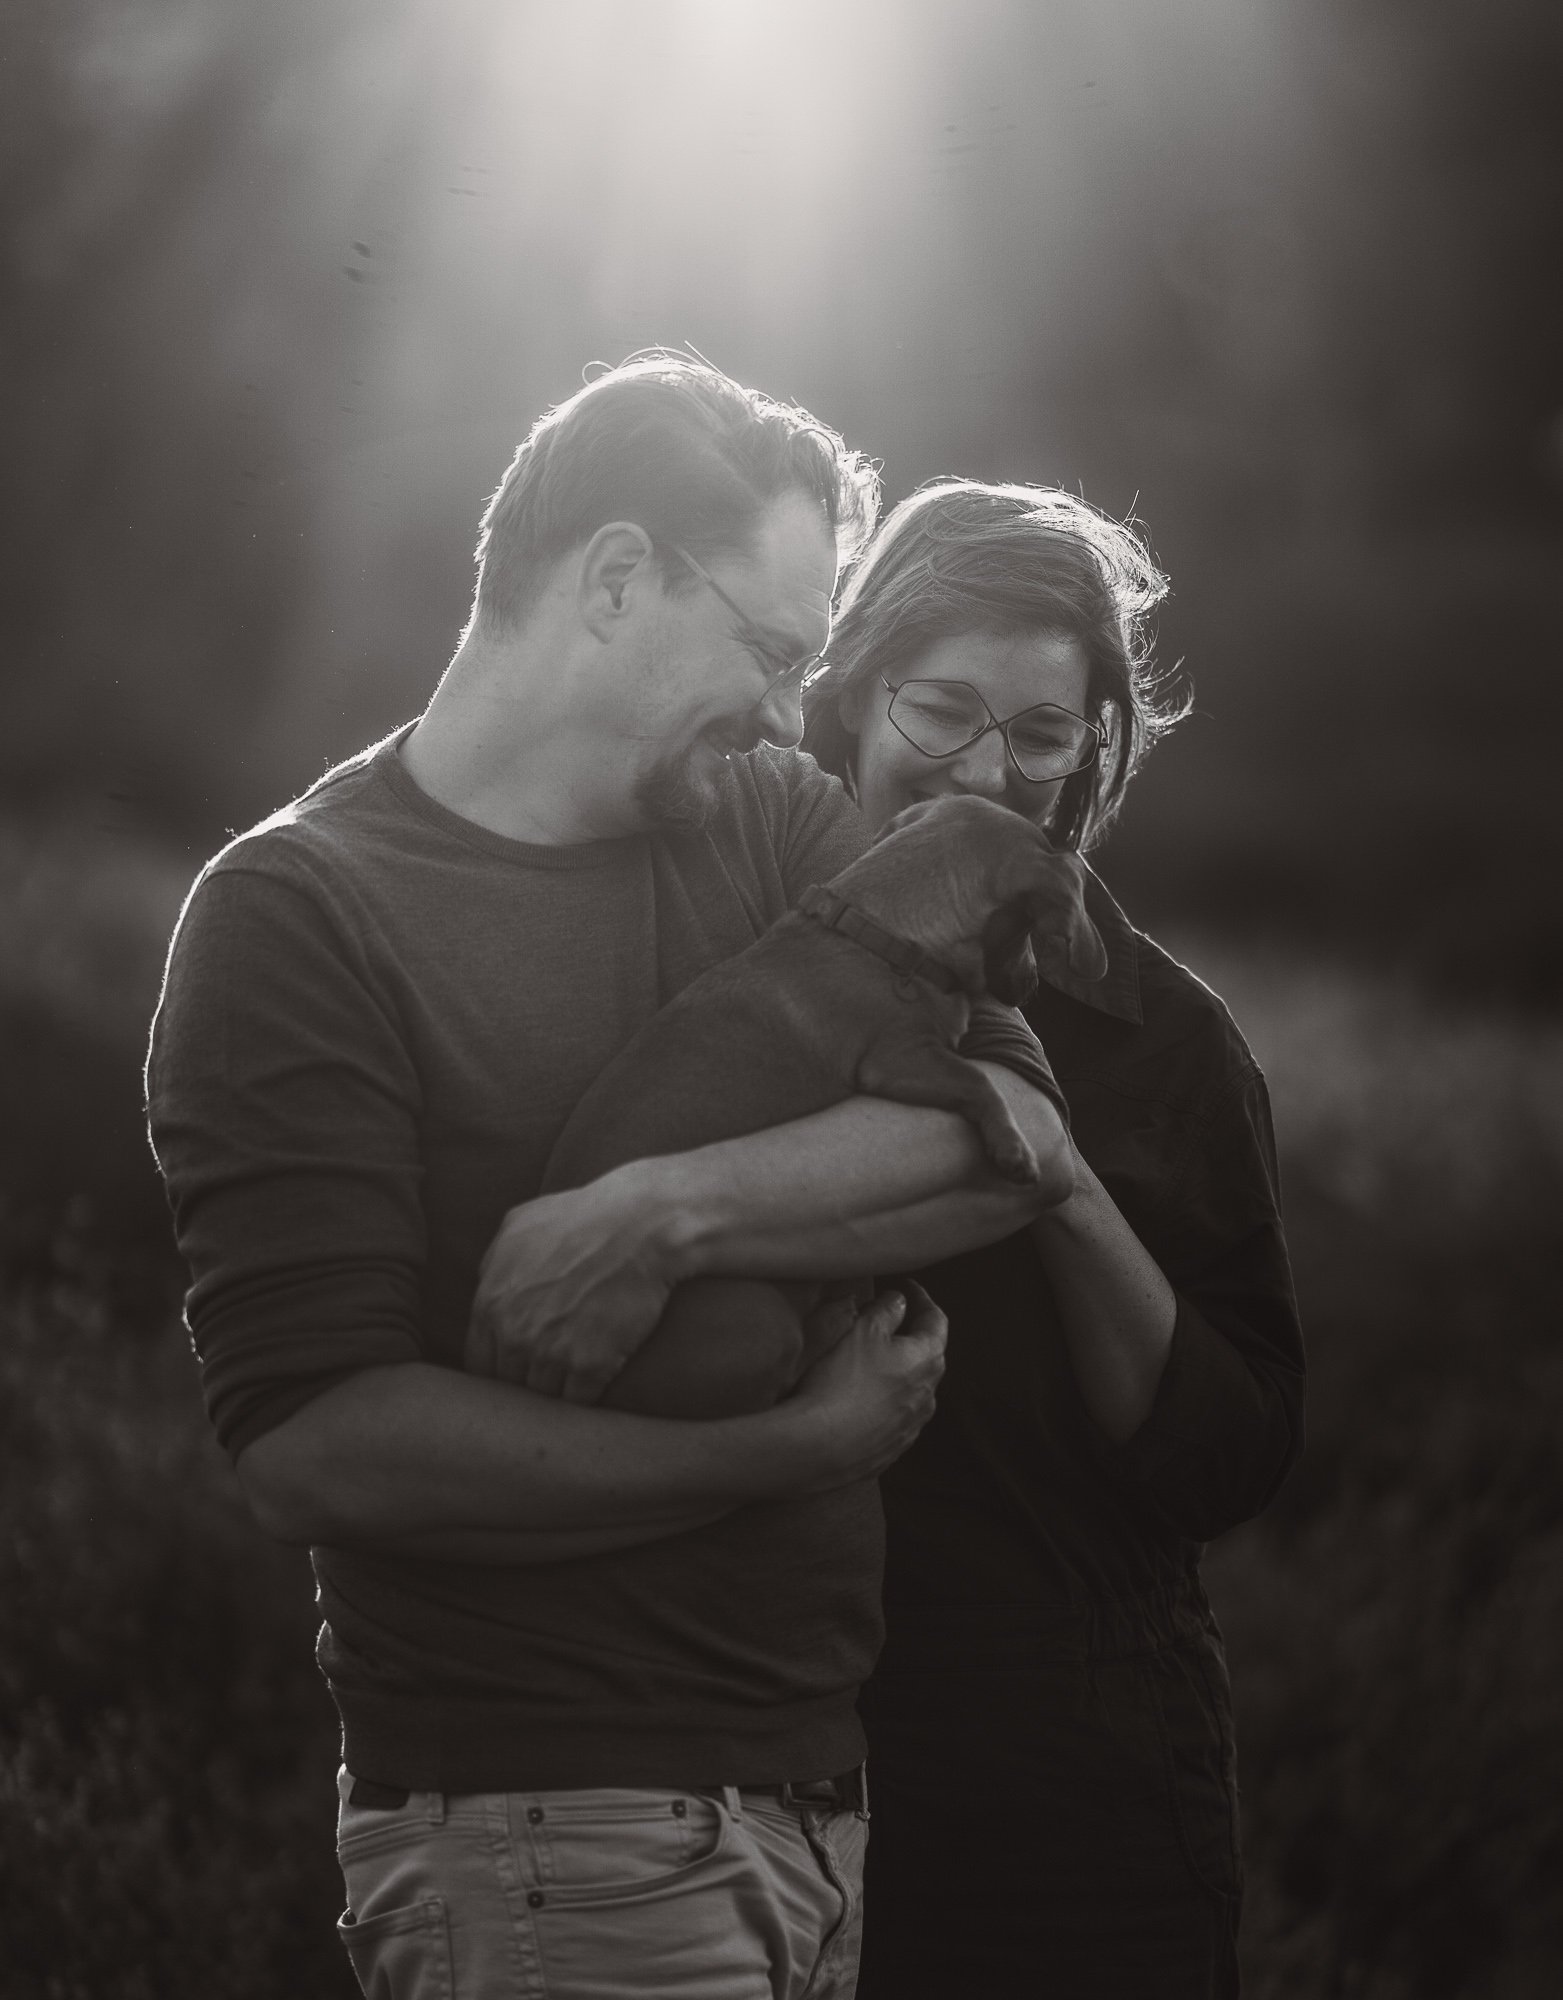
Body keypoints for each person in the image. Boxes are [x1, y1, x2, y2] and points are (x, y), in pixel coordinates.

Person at [145, 360, 1076, 2000]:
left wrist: (661, 1214)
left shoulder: (772, 819)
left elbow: (1007, 1139)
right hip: (546, 1840)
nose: (796, 715)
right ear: (621, 576)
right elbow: (318, 1450)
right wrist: (776, 1447)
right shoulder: (299, 915)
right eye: (775, 654)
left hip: (819, 1814)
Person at [801, 479, 1306, 1998]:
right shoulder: (724, 964)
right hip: (745, 1774)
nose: (985, 771)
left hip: (1069, 1807)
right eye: (941, 709)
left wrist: (1065, 1187)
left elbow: (1230, 1456)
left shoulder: (1159, 1040)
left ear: (1098, 746)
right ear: (847, 699)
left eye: (1039, 732)